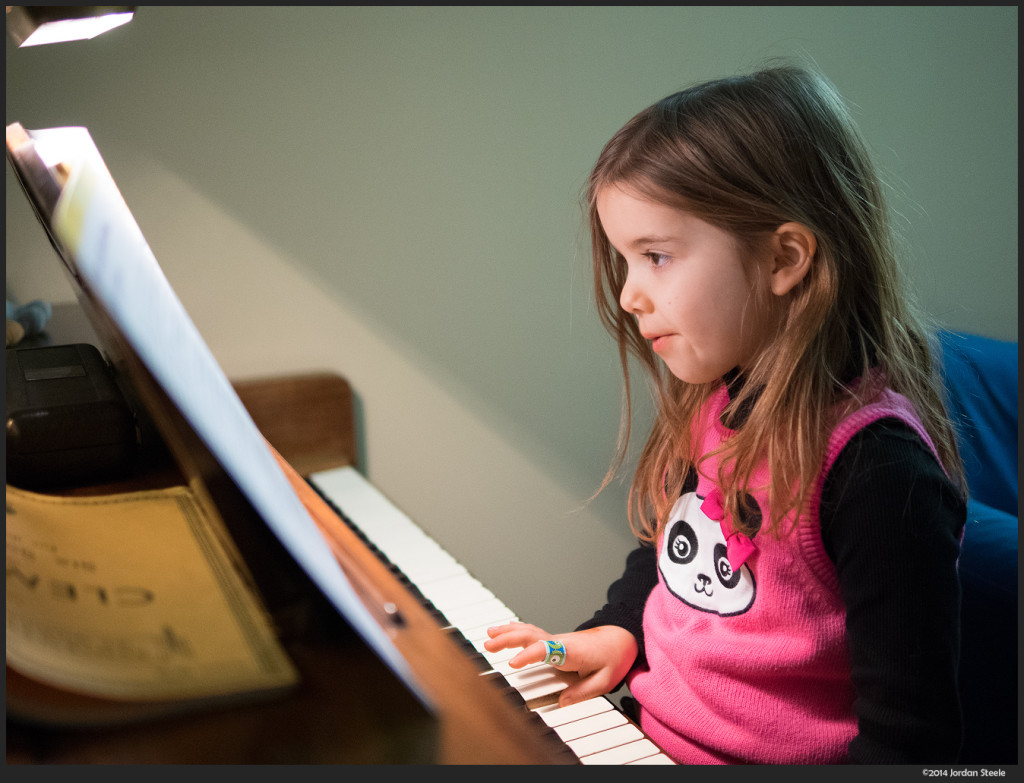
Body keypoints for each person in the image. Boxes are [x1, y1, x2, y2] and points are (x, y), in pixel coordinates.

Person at [485, 65, 966, 765]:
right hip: (647, 735)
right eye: (624, 262)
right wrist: (618, 629)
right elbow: (674, 555)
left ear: (785, 257)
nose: (628, 296)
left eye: (655, 256)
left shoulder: (878, 473)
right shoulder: (717, 396)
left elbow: (912, 740)